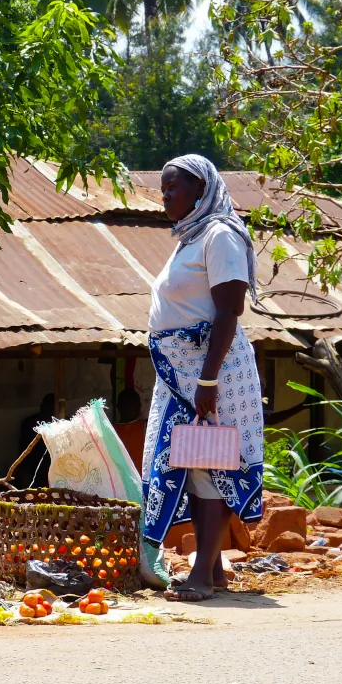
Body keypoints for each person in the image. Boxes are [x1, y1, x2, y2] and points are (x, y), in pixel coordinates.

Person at [141, 154, 264, 602]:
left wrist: (208, 381)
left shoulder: (221, 235)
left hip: (215, 371)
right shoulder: (191, 236)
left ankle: (203, 574)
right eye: (163, 188)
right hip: (181, 371)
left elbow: (229, 312)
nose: (165, 195)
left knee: (209, 462)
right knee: (190, 461)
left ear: (201, 189)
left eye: (174, 187)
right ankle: (212, 570)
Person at [17, 393, 55, 489]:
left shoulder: (64, 422)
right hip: (34, 465)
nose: (49, 409)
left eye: (52, 406)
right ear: (42, 406)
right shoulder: (31, 423)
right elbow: (24, 450)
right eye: (47, 405)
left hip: (57, 466)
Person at [114, 388, 147, 466]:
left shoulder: (147, 427)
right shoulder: (110, 430)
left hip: (142, 477)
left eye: (133, 404)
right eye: (126, 404)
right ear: (119, 406)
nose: (130, 408)